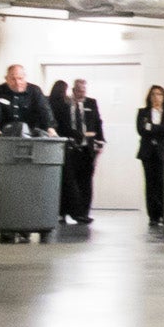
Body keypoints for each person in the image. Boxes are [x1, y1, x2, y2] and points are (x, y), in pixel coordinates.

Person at [55, 76, 102, 226]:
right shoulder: (65, 104)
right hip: (69, 147)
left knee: (86, 181)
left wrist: (100, 142)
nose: (82, 93)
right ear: (73, 90)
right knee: (68, 181)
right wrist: (78, 135)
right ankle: (63, 212)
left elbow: (97, 123)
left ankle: (83, 213)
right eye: (79, 90)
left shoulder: (91, 103)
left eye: (84, 90)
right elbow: (61, 125)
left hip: (87, 148)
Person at [134, 83, 164, 228]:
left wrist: (152, 128)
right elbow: (141, 130)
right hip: (147, 152)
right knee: (150, 183)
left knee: (163, 182)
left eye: (159, 94)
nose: (156, 97)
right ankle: (153, 216)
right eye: (153, 94)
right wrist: (160, 128)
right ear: (149, 97)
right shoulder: (143, 112)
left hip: (163, 152)